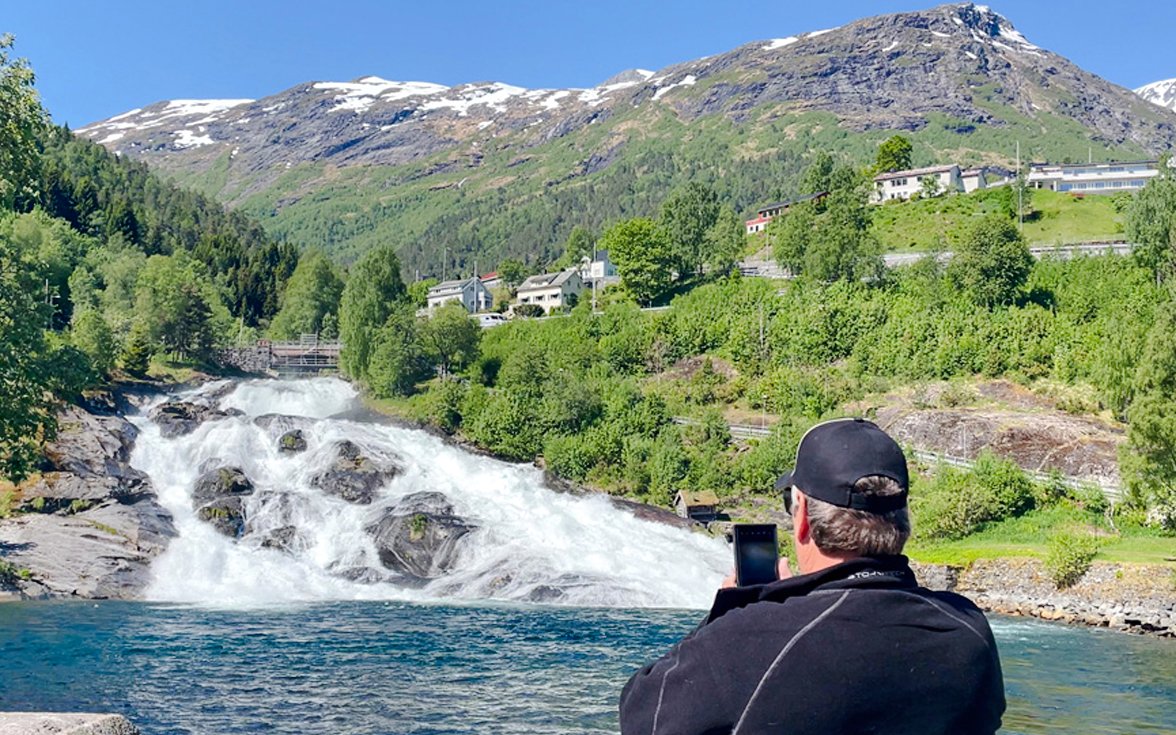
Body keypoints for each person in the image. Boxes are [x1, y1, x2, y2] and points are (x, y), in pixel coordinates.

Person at [619, 417, 1005, 735]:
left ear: (801, 514)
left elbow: (641, 717)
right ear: (902, 518)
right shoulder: (969, 631)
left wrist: (731, 612)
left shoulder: (745, 639)